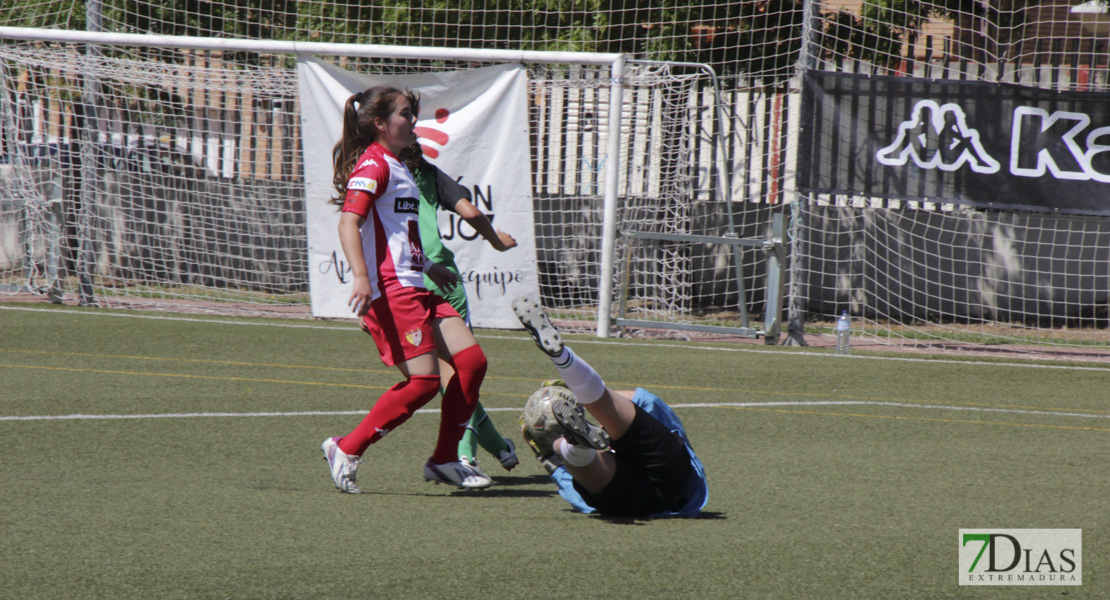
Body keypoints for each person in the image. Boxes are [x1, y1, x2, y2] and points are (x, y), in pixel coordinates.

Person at [320, 85, 492, 493]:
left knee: (471, 363)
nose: (414, 121)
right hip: (392, 291)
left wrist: (429, 265)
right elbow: (349, 223)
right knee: (425, 383)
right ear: (380, 124)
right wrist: (362, 280)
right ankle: (346, 447)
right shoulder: (373, 165)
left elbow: (396, 234)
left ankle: (446, 458)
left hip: (416, 284)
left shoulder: (399, 166)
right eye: (404, 114)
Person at [512, 297, 709, 518]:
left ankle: (569, 445)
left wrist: (547, 458)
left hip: (629, 497)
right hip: (675, 477)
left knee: (583, 466)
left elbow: (574, 491)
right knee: (605, 401)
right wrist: (586, 399)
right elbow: (645, 400)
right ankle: (564, 360)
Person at [398, 134, 520, 478]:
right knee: (453, 375)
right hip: (443, 279)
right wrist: (496, 242)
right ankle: (496, 447)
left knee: (448, 377)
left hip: (408, 284)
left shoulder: (383, 174)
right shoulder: (428, 173)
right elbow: (471, 211)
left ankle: (462, 456)